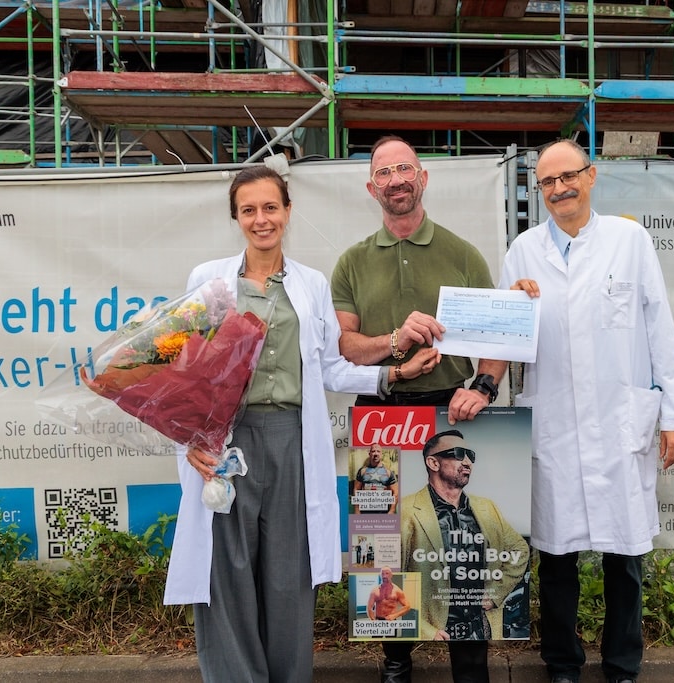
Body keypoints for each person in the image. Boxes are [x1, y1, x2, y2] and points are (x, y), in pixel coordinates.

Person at [162, 165, 425, 682]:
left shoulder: (310, 283)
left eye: (271, 207)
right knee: (227, 572)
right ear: (235, 217)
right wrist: (189, 438)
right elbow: (181, 367)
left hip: (290, 440)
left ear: (287, 211)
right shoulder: (209, 280)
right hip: (226, 441)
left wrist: (393, 373)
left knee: (288, 573)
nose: (261, 219)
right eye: (249, 210)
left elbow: (329, 365)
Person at [487, 139, 674, 683]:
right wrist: (515, 303)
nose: (559, 189)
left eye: (568, 176)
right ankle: (562, 662)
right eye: (548, 182)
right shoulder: (523, 252)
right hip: (555, 424)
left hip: (617, 422)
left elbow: (659, 328)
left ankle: (623, 663)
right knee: (556, 557)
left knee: (623, 557)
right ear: (539, 191)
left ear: (592, 176)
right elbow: (502, 342)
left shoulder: (629, 241)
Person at [331, 135, 501, 683]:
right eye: (385, 172)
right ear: (371, 186)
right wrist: (395, 339)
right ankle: (396, 660)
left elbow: (497, 339)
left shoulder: (462, 254)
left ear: (422, 178)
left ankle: (469, 663)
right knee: (386, 542)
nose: (397, 179)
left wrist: (485, 386)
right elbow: (344, 347)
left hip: (452, 411)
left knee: (460, 542)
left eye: (406, 168)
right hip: (380, 409)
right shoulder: (352, 262)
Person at [401, 429, 529, 642]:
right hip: (431, 629)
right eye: (459, 454)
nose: (468, 461)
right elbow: (385, 577)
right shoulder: (405, 510)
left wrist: (495, 594)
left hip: (478, 627)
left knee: (474, 675)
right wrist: (423, 629)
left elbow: (519, 550)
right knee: (402, 669)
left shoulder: (487, 508)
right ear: (433, 463)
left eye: (471, 455)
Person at [354, 443, 400, 514]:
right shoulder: (362, 471)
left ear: (381, 454)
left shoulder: (388, 472)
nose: (376, 453)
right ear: (369, 454)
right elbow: (356, 489)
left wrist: (392, 510)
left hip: (383, 512)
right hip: (365, 512)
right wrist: (357, 510)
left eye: (378, 451)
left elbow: (396, 492)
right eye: (373, 451)